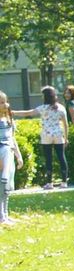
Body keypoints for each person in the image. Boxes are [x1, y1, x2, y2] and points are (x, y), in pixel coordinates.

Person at [10, 86, 68, 189]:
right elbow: (65, 124)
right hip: (58, 134)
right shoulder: (61, 108)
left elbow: (28, 113)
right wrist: (66, 138)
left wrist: (14, 112)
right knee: (61, 157)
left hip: (46, 135)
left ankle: (49, 183)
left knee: (48, 159)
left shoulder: (43, 108)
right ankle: (64, 182)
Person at [0, 91, 25, 225]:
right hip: (2, 152)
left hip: (9, 153)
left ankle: (6, 215)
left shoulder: (9, 119)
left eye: (5, 101)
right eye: (1, 102)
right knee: (1, 185)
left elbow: (12, 139)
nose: (5, 105)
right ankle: (1, 216)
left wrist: (18, 156)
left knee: (7, 187)